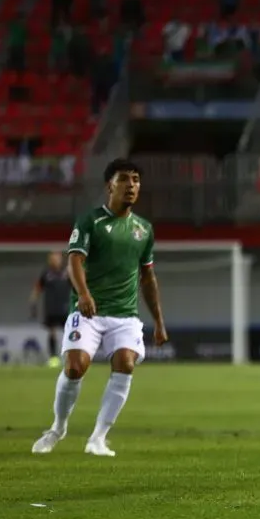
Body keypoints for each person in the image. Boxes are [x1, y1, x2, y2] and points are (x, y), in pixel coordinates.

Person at [31, 159, 169, 458]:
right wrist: (83, 293)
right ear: (110, 185)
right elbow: (74, 260)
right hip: (89, 312)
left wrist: (158, 320)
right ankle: (58, 427)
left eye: (136, 179)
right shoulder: (90, 221)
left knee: (126, 364)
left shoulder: (144, 229)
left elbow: (147, 277)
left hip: (125, 315)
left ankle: (98, 438)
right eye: (125, 179)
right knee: (75, 366)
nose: (132, 185)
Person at [30, 251, 72, 368]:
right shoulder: (46, 274)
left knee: (68, 332)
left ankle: (69, 357)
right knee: (52, 332)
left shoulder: (67, 273)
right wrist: (33, 303)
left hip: (66, 307)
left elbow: (75, 286)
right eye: (52, 258)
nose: (54, 260)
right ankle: (54, 358)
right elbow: (37, 289)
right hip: (51, 308)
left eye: (56, 258)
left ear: (61, 259)